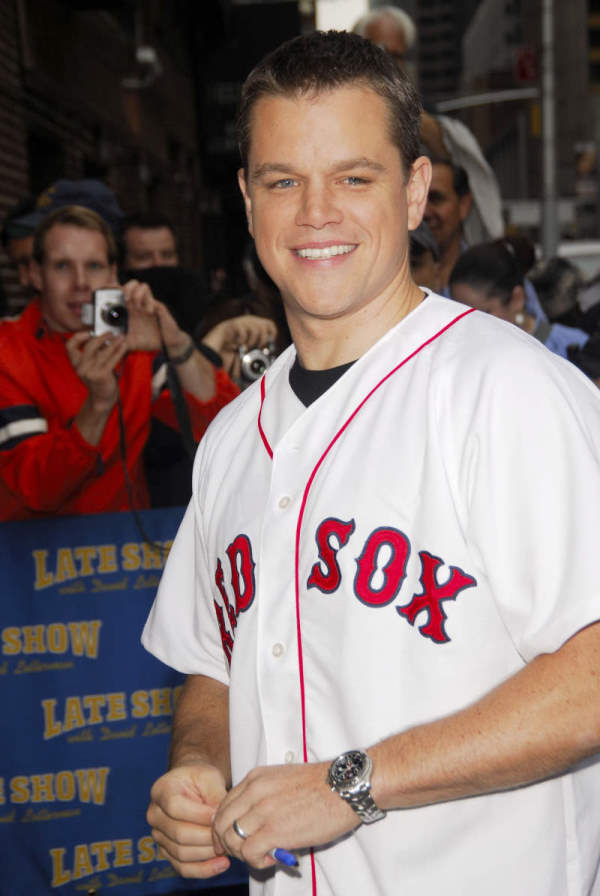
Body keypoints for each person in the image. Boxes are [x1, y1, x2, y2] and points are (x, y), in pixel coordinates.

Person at [142, 30, 600, 896]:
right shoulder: (233, 437)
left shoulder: (509, 392)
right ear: (247, 200)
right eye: (283, 181)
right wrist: (198, 764)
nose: (316, 212)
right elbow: (212, 664)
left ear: (416, 190)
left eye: (354, 178)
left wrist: (350, 785)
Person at [0, 204, 243, 521]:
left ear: (113, 273)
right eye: (62, 266)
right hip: (32, 546)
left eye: (94, 266)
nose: (80, 282)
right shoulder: (8, 351)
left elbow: (225, 425)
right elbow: (38, 488)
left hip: (124, 542)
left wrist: (176, 342)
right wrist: (99, 405)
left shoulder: (131, 343)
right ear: (35, 274)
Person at [353, 5, 504, 245]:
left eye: (397, 55)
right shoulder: (336, 117)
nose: (388, 62)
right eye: (379, 51)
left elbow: (449, 155)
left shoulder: (424, 119)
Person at [449, 238, 590, 359]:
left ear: (517, 299)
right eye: (458, 317)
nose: (469, 327)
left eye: (482, 315)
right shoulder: (458, 353)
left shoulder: (575, 346)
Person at [424, 157, 472, 293]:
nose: (424, 212)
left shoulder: (492, 276)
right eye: (417, 199)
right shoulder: (388, 278)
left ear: (463, 205)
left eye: (435, 199)